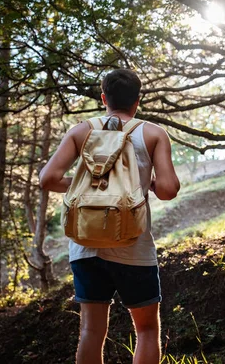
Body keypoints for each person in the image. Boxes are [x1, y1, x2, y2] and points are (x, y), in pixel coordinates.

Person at [39, 69, 180, 364]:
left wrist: (84, 187)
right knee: (146, 329)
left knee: (91, 331)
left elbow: (48, 179)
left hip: (85, 244)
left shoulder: (81, 131)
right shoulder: (153, 133)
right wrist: (146, 184)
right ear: (137, 101)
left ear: (104, 98)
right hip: (134, 245)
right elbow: (168, 190)